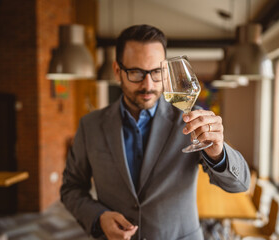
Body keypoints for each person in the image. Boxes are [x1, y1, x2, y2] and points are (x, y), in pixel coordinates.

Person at [60, 24, 250, 240]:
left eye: (157, 72)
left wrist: (218, 153)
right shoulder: (90, 126)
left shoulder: (193, 119)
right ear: (117, 71)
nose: (148, 85)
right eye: (136, 72)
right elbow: (71, 189)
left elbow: (240, 184)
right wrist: (99, 217)